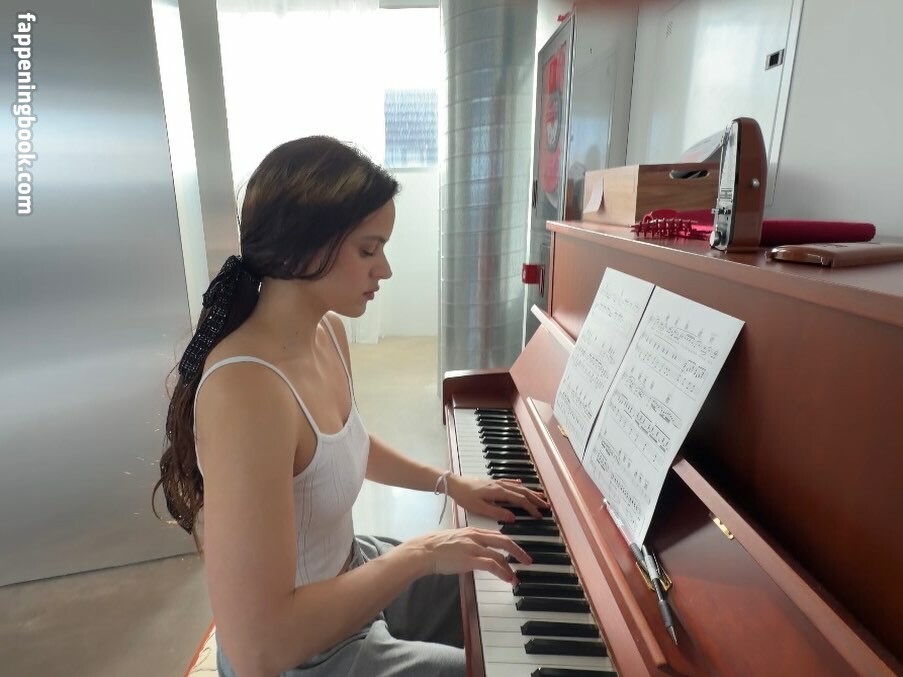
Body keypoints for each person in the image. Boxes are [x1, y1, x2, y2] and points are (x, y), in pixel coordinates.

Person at [155, 136, 547, 677]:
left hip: (350, 568)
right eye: (369, 250)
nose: (384, 269)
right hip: (305, 654)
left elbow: (344, 445)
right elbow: (257, 649)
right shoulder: (246, 391)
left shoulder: (328, 334)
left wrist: (449, 483)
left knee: (508, 582)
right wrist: (419, 554)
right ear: (304, 248)